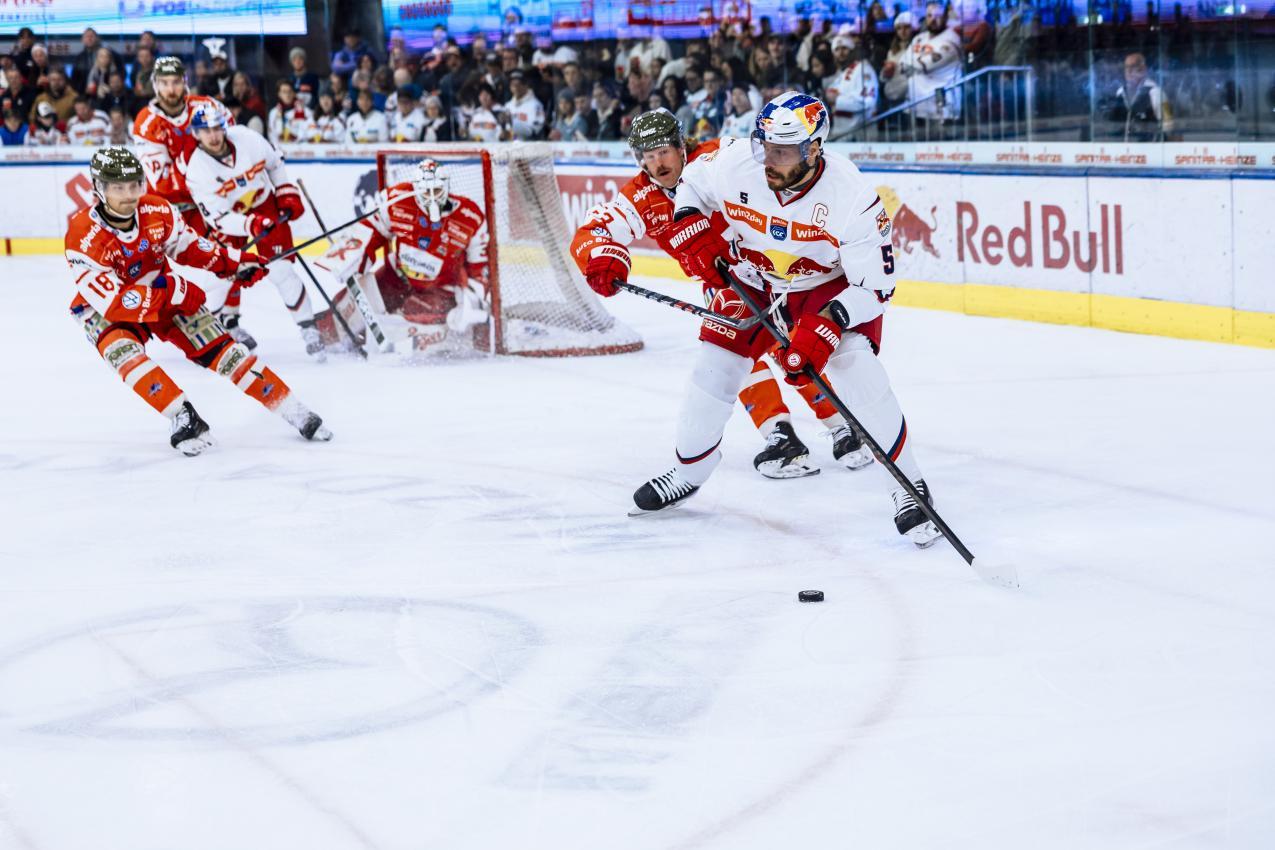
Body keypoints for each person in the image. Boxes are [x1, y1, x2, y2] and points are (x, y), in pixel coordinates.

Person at [610, 93, 939, 545]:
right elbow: (694, 183)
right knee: (714, 366)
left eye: (783, 152)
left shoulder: (853, 197)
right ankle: (689, 471)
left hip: (825, 287)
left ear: (814, 148)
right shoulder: (736, 162)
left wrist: (830, 322)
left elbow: (876, 289)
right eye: (765, 146)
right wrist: (690, 222)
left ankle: (908, 484)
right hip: (754, 276)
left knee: (853, 364)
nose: (769, 159)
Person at [573, 110, 867, 479]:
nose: (657, 164)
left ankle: (843, 425)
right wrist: (602, 256)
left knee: (792, 348)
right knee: (735, 358)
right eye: (648, 156)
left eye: (663, 152)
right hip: (725, 286)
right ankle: (780, 436)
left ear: (681, 146)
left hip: (775, 273)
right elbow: (595, 229)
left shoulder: (718, 158)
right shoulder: (642, 195)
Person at [64, 147, 331, 456]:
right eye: (118, 188)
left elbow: (190, 246)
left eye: (134, 185)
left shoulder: (157, 210)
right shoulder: (83, 236)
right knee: (122, 352)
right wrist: (174, 291)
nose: (129, 196)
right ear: (99, 188)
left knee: (227, 353)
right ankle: (182, 415)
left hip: (161, 291)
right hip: (109, 308)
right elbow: (115, 303)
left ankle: (292, 408)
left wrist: (233, 262)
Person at [184, 102, 326, 359]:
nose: (213, 136)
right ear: (196, 133)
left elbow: (274, 163)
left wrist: (285, 191)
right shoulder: (196, 170)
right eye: (206, 131)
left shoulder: (247, 138)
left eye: (216, 128)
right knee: (223, 274)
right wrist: (250, 224)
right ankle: (219, 329)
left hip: (263, 204)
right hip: (231, 219)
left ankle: (309, 328)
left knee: (281, 269)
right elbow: (218, 218)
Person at [312, 160, 490, 353]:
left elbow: (480, 268)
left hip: (440, 288)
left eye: (437, 191)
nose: (432, 198)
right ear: (416, 189)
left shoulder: (470, 217)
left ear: (446, 188)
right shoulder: (396, 201)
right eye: (426, 192)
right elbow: (371, 230)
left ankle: (394, 341)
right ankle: (322, 335)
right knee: (354, 300)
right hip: (397, 276)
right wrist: (352, 259)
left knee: (411, 315)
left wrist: (469, 303)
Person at [900, 2, 963, 128]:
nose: (933, 20)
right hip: (916, 105)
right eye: (929, 16)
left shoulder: (951, 40)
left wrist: (914, 62)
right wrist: (916, 62)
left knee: (941, 141)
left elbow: (925, 66)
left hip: (941, 109)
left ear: (945, 17)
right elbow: (903, 63)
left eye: (938, 16)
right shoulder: (919, 38)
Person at [1106, 52, 1174, 142]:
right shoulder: (1120, 92)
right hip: (1127, 147)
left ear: (1143, 69)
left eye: (1133, 66)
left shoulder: (1157, 92)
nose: (1129, 71)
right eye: (1126, 67)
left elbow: (1168, 122)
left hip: (1150, 145)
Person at [825, 35, 879, 139]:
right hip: (842, 135)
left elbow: (868, 101)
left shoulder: (864, 69)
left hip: (860, 136)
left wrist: (837, 100)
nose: (841, 53)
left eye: (844, 48)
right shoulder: (843, 73)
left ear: (852, 50)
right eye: (837, 49)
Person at [268, 80, 315, 144]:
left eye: (290, 91)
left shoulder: (305, 111)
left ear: (294, 93)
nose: (287, 95)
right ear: (279, 94)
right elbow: (271, 133)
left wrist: (295, 141)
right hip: (279, 146)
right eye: (284, 92)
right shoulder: (274, 112)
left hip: (299, 147)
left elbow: (310, 131)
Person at [504, 70, 544, 140]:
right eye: (513, 85)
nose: (515, 87)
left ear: (526, 85)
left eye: (518, 84)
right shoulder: (507, 105)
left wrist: (512, 123)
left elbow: (535, 130)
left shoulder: (536, 105)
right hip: (510, 144)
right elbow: (506, 131)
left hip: (529, 144)